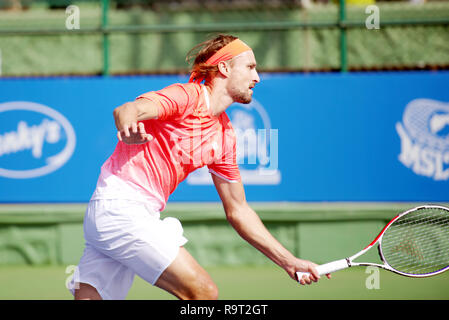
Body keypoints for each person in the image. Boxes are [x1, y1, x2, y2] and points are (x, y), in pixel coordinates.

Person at [70, 34, 328, 300]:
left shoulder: (225, 135)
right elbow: (127, 109)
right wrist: (128, 125)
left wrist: (288, 261)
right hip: (122, 209)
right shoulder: (187, 96)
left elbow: (239, 211)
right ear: (225, 68)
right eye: (250, 67)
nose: (257, 77)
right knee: (203, 293)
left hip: (110, 213)